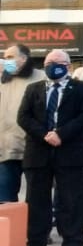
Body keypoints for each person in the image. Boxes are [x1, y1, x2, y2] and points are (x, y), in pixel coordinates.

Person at [17, 50, 83, 246]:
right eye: (49, 62)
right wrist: (45, 135)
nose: (53, 65)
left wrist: (61, 134)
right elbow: (23, 117)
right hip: (38, 151)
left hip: (68, 151)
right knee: (36, 200)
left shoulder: (82, 89)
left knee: (70, 199)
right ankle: (35, 244)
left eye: (58, 62)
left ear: (68, 66)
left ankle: (72, 243)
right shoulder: (33, 89)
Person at [1, 44, 46, 202]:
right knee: (5, 200)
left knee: (35, 198)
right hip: (6, 150)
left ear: (24, 58)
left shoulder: (42, 77)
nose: (6, 61)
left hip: (33, 147)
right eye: (5, 57)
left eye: (10, 57)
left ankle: (33, 227)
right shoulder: (3, 79)